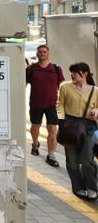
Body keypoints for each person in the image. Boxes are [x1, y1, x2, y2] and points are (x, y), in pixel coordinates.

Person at [57, 62, 98, 200]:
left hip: (89, 127)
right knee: (72, 163)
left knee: (86, 160)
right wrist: (61, 120)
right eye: (71, 72)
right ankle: (79, 187)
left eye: (75, 72)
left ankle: (92, 187)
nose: (72, 75)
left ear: (85, 74)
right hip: (69, 126)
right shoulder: (65, 87)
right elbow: (60, 104)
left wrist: (95, 112)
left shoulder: (95, 90)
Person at [26, 45, 64, 166]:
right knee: (35, 126)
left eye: (44, 52)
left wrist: (62, 101)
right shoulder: (31, 69)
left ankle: (51, 155)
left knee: (52, 130)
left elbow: (62, 86)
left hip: (52, 104)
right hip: (36, 104)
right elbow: (24, 84)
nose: (42, 54)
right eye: (40, 52)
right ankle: (35, 143)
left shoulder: (56, 69)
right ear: (37, 54)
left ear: (48, 54)